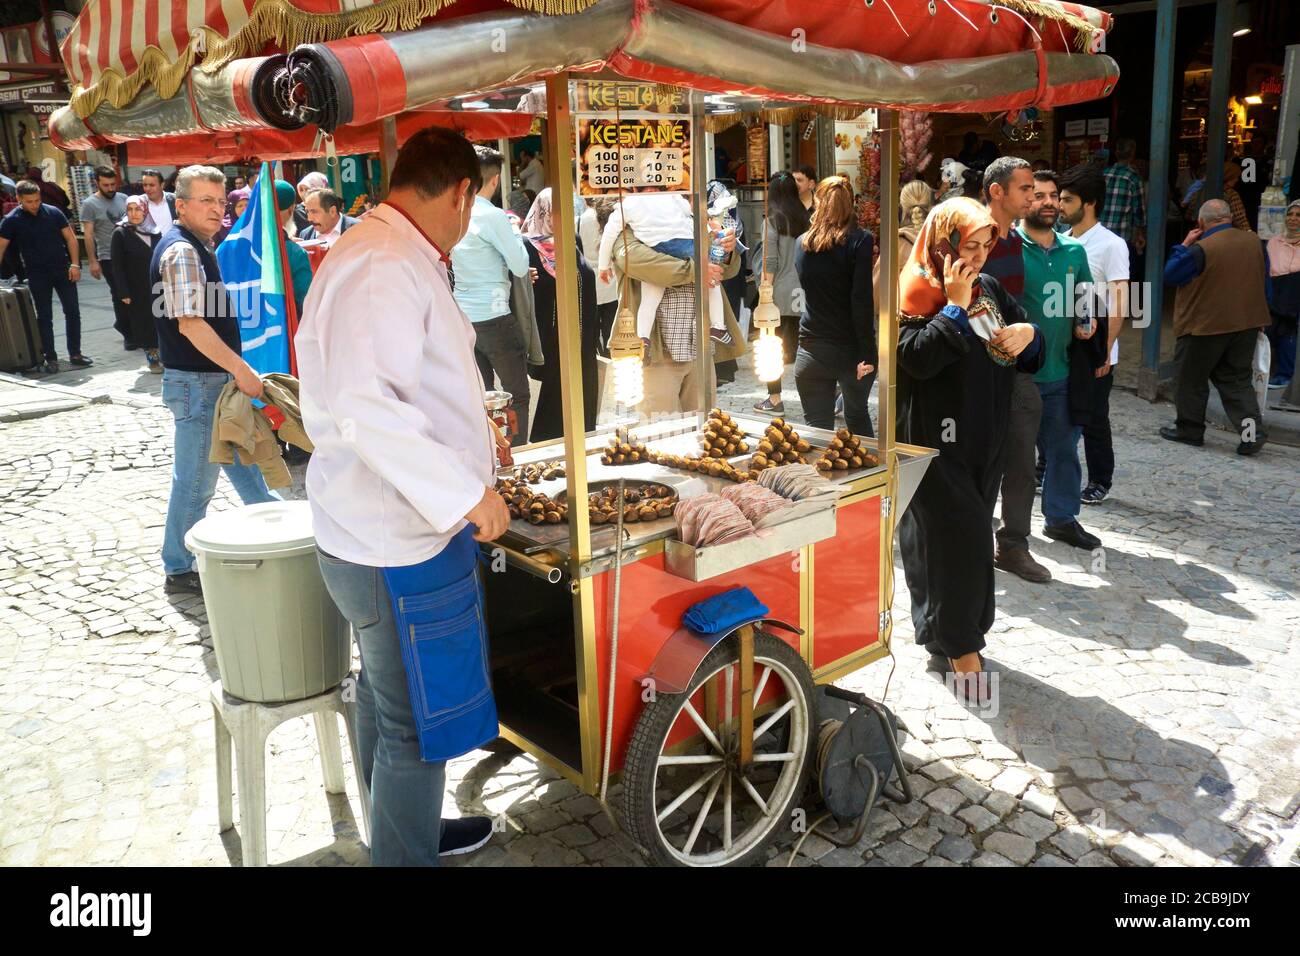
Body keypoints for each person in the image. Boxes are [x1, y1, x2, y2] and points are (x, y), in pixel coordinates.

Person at [295, 127, 506, 865]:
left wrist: (476, 442)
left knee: (389, 707)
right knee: (414, 719)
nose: (467, 221)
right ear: (459, 192)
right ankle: (402, 851)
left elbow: (411, 386)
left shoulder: (386, 252)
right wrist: (465, 494)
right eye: (472, 206)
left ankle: (405, 829)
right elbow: (366, 401)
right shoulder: (383, 263)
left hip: (375, 529)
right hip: (395, 537)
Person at [896, 197, 1042, 694]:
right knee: (955, 542)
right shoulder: (916, 293)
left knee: (968, 539)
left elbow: (1027, 345)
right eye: (968, 246)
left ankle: (948, 636)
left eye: (985, 246)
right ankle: (962, 651)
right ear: (942, 244)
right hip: (934, 444)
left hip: (985, 438)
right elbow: (914, 359)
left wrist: (1029, 333)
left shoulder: (991, 290)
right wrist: (954, 309)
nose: (977, 257)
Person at [149, 165, 278, 595]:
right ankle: (179, 566)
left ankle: (276, 532)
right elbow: (191, 324)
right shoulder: (182, 250)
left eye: (221, 201)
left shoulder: (198, 245)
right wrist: (240, 368)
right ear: (180, 205)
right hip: (197, 384)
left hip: (209, 381)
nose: (217, 209)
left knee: (245, 465)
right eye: (206, 200)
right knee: (196, 482)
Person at [1017, 170, 1106, 552]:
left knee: (1064, 451)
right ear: (1024, 202)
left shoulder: (1075, 252)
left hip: (1062, 372)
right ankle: (1010, 530)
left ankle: (1062, 519)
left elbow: (1086, 298)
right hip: (1017, 375)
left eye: (1055, 196)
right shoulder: (1007, 247)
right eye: (1039, 196)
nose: (1049, 202)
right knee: (1016, 458)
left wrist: (1088, 322)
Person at [982, 156, 1052, 583]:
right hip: (973, 371)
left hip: (1015, 369)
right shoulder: (972, 234)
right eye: (1026, 189)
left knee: (1022, 459)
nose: (1033, 196)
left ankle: (1012, 545)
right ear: (997, 191)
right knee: (976, 459)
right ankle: (970, 539)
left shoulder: (1017, 241)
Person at [1160, 198, 1270, 455]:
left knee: (1190, 378)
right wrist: (1263, 315)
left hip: (1205, 325)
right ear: (1229, 218)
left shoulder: (1202, 248)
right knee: (1236, 380)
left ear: (1201, 222)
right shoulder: (1254, 242)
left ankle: (1190, 430)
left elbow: (1171, 275)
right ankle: (1252, 433)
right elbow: (1265, 280)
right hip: (1247, 322)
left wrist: (1184, 245)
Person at [608, 218, 747, 415]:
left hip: (700, 346)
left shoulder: (691, 220)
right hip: (657, 353)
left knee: (704, 427)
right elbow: (641, 261)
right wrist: (697, 268)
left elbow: (728, 269)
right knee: (660, 430)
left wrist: (726, 249)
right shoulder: (627, 228)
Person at [1058, 164, 1130, 505]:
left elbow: (1120, 304)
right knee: (1059, 412)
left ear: (1089, 203)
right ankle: (1050, 472)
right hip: (1065, 344)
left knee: (1094, 418)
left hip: (1097, 348)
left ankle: (1101, 479)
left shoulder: (1111, 245)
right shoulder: (1061, 240)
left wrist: (1106, 350)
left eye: (1067, 199)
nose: (1059, 205)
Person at [450, 145, 532, 443]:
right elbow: (520, 266)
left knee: (479, 397)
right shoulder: (493, 216)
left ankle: (487, 457)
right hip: (496, 316)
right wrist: (516, 235)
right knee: (516, 395)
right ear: (495, 179)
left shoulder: (457, 212)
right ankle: (517, 457)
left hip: (463, 318)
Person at [792, 176, 876, 437]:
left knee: (817, 434)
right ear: (852, 203)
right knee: (857, 419)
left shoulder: (802, 243)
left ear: (817, 201)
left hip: (810, 349)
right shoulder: (860, 241)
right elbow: (860, 300)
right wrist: (868, 353)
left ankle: (817, 478)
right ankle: (873, 477)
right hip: (849, 349)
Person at [596, 193, 727, 343]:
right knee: (711, 280)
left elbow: (726, 267)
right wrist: (697, 270)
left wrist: (721, 239)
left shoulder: (634, 210)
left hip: (695, 337)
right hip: (665, 341)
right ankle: (718, 326)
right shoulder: (626, 234)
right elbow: (636, 259)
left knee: (650, 299)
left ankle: (643, 339)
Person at [522, 189, 599, 440]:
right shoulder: (525, 245)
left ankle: (582, 445)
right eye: (557, 210)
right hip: (550, 338)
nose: (564, 216)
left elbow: (583, 276)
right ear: (544, 210)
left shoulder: (571, 238)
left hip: (582, 335)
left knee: (583, 391)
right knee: (554, 394)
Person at [0, 180, 90, 373]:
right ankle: (50, 357)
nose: (35, 204)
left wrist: (75, 264)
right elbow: (1, 247)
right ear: (19, 199)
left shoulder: (53, 212)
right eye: (30, 201)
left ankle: (75, 353)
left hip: (62, 270)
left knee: (73, 312)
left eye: (37, 200)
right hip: (37, 273)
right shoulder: (11, 220)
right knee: (44, 316)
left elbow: (70, 239)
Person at [752, 171, 811, 414]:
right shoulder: (809, 220)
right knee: (809, 345)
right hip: (807, 292)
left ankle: (775, 400)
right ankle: (830, 394)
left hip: (778, 295)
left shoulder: (772, 222)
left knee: (770, 348)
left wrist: (764, 293)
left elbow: (771, 262)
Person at [79, 165, 133, 349]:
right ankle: (128, 333)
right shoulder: (89, 204)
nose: (110, 188)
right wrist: (93, 261)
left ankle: (130, 326)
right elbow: (88, 235)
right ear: (97, 183)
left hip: (129, 254)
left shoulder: (124, 199)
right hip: (108, 256)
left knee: (134, 293)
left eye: (113, 184)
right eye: (106, 185)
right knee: (120, 295)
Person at [109, 195, 162, 373]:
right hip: (136, 288)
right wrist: (123, 292)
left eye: (138, 209)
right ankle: (152, 358)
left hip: (157, 285)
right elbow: (117, 266)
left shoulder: (155, 231)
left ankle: (167, 356)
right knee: (144, 323)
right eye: (130, 209)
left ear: (145, 210)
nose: (134, 213)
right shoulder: (120, 233)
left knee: (162, 321)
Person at [873, 179, 934, 305]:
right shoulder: (945, 238)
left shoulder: (897, 243)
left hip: (905, 319)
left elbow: (877, 295)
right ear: (930, 205)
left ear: (902, 206)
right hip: (942, 319)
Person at [1264, 200, 1300, 388]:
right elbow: (1268, 269)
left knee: (1289, 332)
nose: (1293, 218)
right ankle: (1264, 373)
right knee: (1269, 332)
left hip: (1295, 295)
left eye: (1298, 215)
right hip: (1275, 292)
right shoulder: (1274, 242)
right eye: (1290, 214)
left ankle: (1285, 374)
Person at [578, 197, 619, 353]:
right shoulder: (612, 216)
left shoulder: (579, 221)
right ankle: (611, 363)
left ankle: (596, 365)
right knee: (611, 330)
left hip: (589, 282)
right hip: (611, 279)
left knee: (591, 332)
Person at [1101, 138, 1147, 273]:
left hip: (1099, 233)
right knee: (1117, 275)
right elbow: (1139, 211)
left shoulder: (1103, 174)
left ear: (1116, 153)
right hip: (1120, 236)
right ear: (1132, 154)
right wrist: (1140, 233)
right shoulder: (1133, 178)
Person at [272, 181, 314, 315]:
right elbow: (307, 305)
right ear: (291, 209)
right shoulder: (293, 253)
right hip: (280, 332)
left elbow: (216, 305)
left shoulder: (226, 248)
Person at [140, 168, 176, 234]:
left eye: (152, 185)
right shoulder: (139, 202)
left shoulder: (175, 200)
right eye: (145, 185)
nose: (148, 189)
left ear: (162, 185)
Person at [1222, 161, 1252, 232]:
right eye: (1236, 177)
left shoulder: (1206, 189)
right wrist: (1249, 233)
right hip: (1226, 233)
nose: (1237, 180)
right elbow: (1240, 219)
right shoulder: (1232, 194)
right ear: (1229, 176)